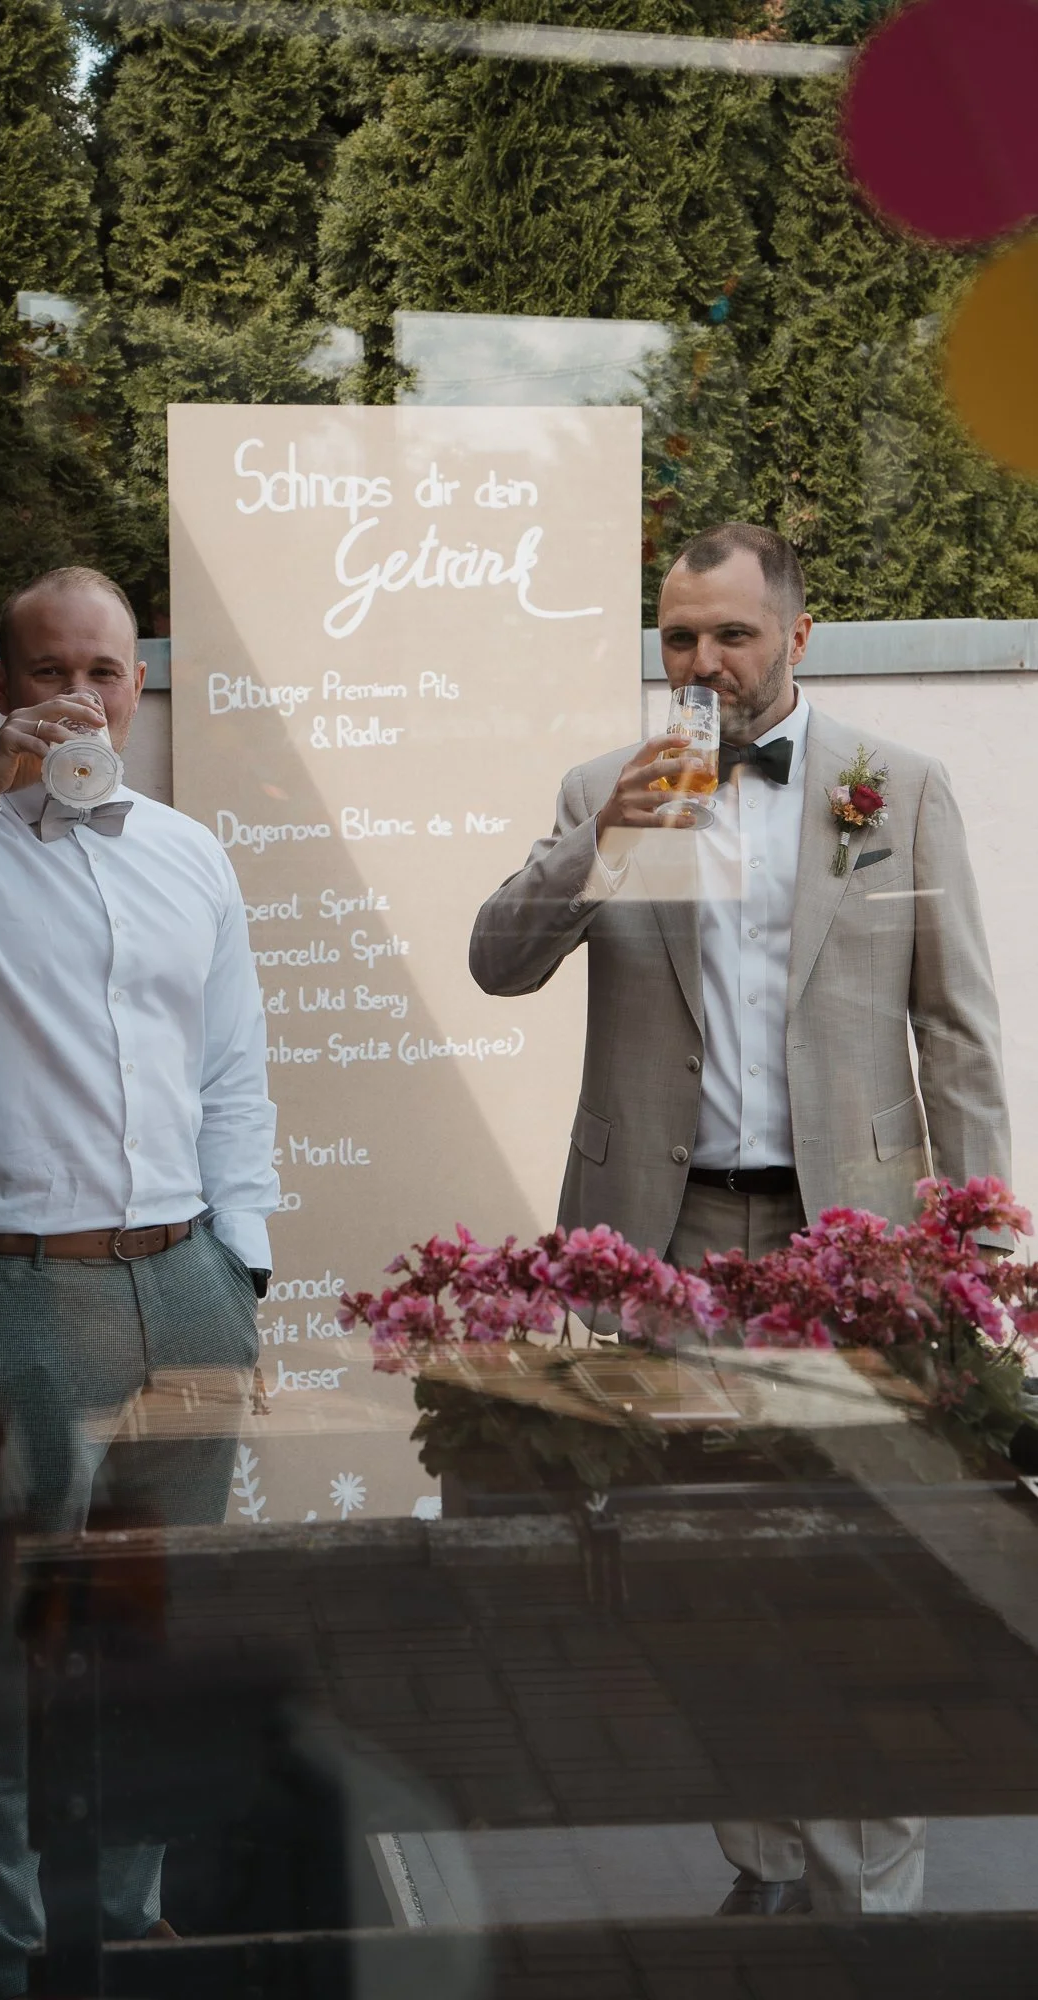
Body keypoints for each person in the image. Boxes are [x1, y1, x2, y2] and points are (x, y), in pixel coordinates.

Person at [469, 522, 1009, 1919]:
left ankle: (870, 1883)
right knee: (698, 1566)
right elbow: (498, 962)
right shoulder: (610, 788)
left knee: (872, 1568)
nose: (702, 663)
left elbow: (958, 1039)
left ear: (799, 639)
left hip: (859, 1246)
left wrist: (980, 1262)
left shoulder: (897, 788)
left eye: (731, 635)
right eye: (679, 637)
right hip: (674, 1238)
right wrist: (604, 843)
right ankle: (764, 1859)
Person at [0, 565, 278, 1997]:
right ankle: (11, 1947)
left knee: (150, 1640)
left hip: (185, 1282)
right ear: (1, 681)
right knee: (18, 1647)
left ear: (140, 682)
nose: (81, 697)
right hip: (23, 1295)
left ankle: (130, 1921)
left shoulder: (192, 854)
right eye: (49, 670)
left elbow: (232, 1073)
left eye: (107, 670)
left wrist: (241, 1262)